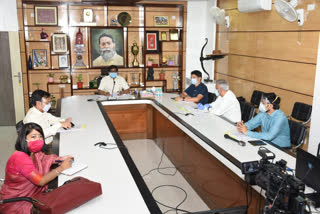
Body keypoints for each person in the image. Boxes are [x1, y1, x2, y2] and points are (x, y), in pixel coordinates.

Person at [0, 123, 73, 213]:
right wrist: (61, 168)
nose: (38, 140)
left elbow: (45, 159)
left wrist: (60, 160)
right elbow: (40, 181)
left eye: (40, 136)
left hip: (32, 193)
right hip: (19, 201)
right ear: (24, 138)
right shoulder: (20, 158)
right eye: (33, 137)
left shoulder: (33, 151)